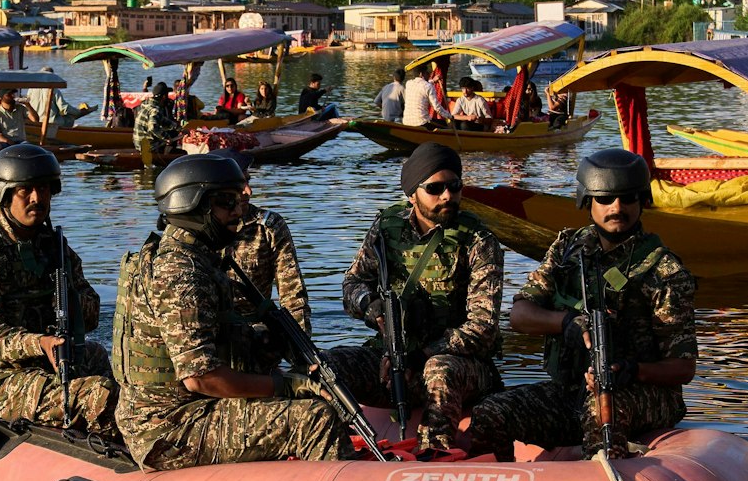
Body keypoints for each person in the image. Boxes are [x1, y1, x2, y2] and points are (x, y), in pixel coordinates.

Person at [458, 148, 697, 460]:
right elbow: (520, 315)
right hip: (571, 390)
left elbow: (683, 367)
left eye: (627, 199)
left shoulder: (663, 271)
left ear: (642, 201)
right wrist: (567, 323)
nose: (617, 207)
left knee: (600, 413)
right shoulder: (566, 250)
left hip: (642, 393)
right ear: (588, 200)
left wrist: (632, 370)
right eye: (605, 199)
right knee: (491, 412)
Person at [113, 154, 343, 469]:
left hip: (191, 409)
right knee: (314, 419)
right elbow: (201, 378)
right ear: (193, 205)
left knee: (331, 373)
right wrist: (285, 385)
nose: (239, 210)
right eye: (227, 203)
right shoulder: (180, 269)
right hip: (171, 427)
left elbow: (225, 337)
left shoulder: (197, 256)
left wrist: (279, 350)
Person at [325, 143, 507, 454]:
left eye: (454, 186)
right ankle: (333, 453)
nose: (447, 196)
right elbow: (352, 283)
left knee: (439, 370)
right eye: (435, 188)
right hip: (393, 358)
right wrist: (369, 305)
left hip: (463, 366)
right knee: (330, 365)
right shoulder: (386, 229)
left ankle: (435, 456)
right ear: (413, 194)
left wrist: (422, 354)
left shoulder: (478, 241)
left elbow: (483, 328)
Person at [0, 145, 118, 433]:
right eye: (25, 191)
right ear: (4, 194)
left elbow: (90, 312)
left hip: (46, 363)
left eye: (43, 189)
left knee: (98, 356)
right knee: (99, 393)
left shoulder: (53, 245)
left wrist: (69, 300)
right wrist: (39, 343)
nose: (36, 198)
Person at [220, 151, 310, 375]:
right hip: (210, 341)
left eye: (248, 181)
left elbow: (293, 295)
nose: (248, 192)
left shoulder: (268, 227)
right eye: (239, 185)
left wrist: (304, 356)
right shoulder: (194, 233)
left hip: (256, 341)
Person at [132, 82, 178, 167]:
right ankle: (166, 156)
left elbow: (162, 119)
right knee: (179, 147)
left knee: (173, 132)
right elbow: (153, 128)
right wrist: (167, 138)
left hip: (138, 144)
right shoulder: (155, 110)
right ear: (164, 97)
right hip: (148, 147)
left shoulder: (145, 105)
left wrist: (175, 126)